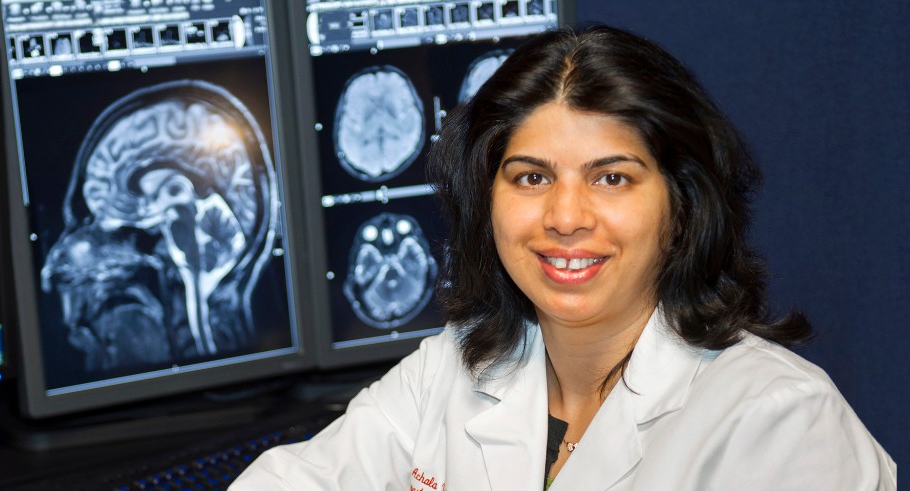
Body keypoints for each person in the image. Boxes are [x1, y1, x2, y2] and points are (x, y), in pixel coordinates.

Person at [231, 25, 896, 490]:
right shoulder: (456, 367)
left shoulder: (781, 420)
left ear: (683, 206)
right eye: (530, 177)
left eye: (612, 177)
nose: (566, 217)